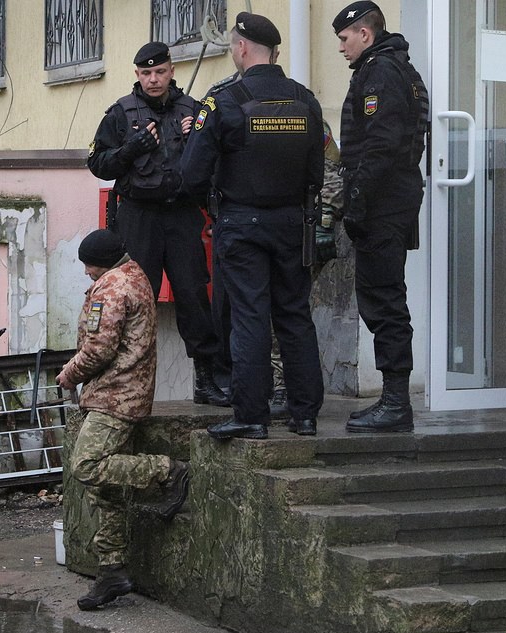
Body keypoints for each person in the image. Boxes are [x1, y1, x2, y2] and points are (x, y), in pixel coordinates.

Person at [181, 12, 325, 440]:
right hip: (293, 223)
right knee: (295, 316)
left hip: (242, 224)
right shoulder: (306, 100)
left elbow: (191, 174)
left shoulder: (224, 101)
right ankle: (305, 415)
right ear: (274, 52)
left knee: (248, 317)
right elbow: (318, 171)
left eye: (231, 45)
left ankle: (251, 414)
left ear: (242, 48)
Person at [87, 41, 228, 408]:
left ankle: (207, 380)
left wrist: (195, 136)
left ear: (171, 71)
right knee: (135, 300)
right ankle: (129, 382)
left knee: (194, 295)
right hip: (138, 216)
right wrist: (130, 149)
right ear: (137, 75)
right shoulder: (120, 113)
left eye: (160, 72)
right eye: (146, 73)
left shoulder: (193, 110)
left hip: (182, 215)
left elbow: (215, 161)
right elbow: (99, 164)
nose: (153, 79)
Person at [56, 229, 190, 611]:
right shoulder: (135, 275)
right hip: (127, 392)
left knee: (87, 464)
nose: (86, 273)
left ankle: (168, 471)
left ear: (99, 260)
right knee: (107, 490)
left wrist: (69, 374)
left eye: (87, 265)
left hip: (115, 396)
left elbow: (99, 349)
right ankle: (111, 571)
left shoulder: (112, 287)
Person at [333, 1, 428, 433]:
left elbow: (381, 145)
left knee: (384, 299)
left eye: (344, 38)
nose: (341, 48)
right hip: (393, 200)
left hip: (383, 204)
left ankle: (394, 403)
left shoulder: (381, 72)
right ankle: (393, 401)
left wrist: (357, 201)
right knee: (384, 297)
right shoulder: (396, 68)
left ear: (365, 34)